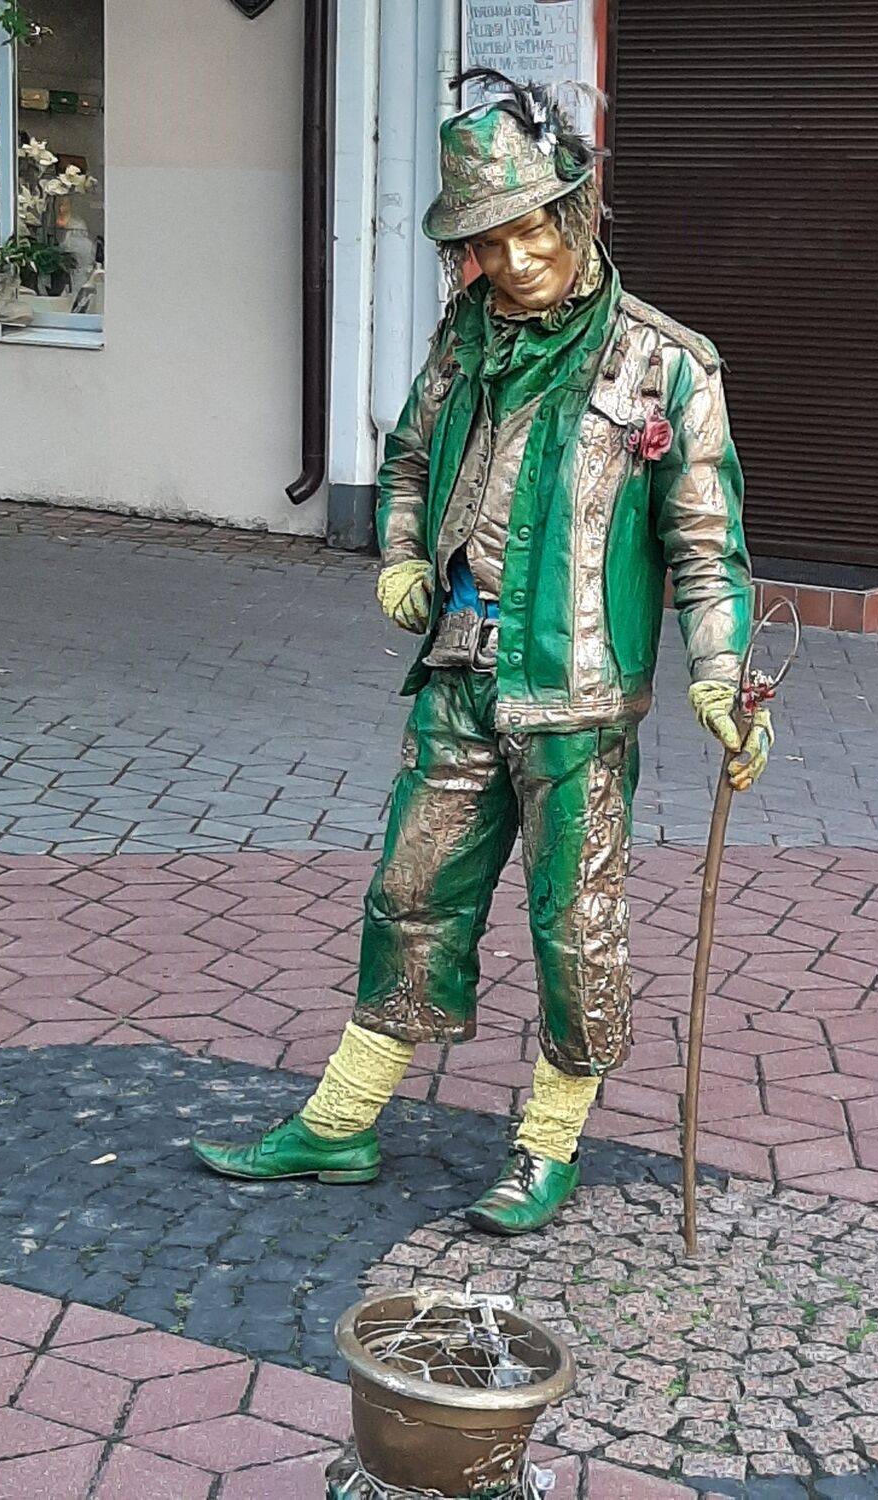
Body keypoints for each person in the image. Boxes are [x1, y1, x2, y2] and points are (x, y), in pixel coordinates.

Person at [193, 70, 772, 1236]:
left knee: (575, 921)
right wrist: (400, 552)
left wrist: (720, 676)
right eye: (484, 243)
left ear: (576, 211)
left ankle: (547, 1145)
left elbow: (708, 547)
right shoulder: (467, 339)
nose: (511, 261)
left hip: (576, 698)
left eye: (527, 232)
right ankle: (342, 1122)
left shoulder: (666, 364)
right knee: (411, 895)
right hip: (459, 672)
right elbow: (408, 457)